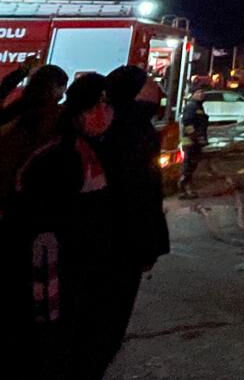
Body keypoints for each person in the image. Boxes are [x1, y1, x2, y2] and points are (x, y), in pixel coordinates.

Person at [12, 72, 118, 380]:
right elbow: (55, 217)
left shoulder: (83, 146)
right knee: (54, 343)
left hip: (78, 266)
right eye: (101, 102)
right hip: (60, 266)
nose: (106, 111)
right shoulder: (63, 152)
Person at [0, 63, 67, 380]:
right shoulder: (50, 122)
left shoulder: (7, 115)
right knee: (23, 295)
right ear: (55, 90)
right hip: (23, 216)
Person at [95, 65, 171, 366]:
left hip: (122, 241)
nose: (156, 88)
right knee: (108, 317)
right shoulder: (130, 133)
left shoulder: (127, 127)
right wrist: (148, 243)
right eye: (150, 83)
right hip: (121, 243)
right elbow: (139, 195)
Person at [179, 86, 210, 197]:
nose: (201, 94)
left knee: (192, 165)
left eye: (202, 91)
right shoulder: (192, 106)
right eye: (198, 92)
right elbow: (187, 122)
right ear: (192, 94)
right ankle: (184, 189)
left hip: (194, 141)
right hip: (190, 141)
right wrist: (195, 137)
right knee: (189, 165)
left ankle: (187, 188)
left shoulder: (198, 106)